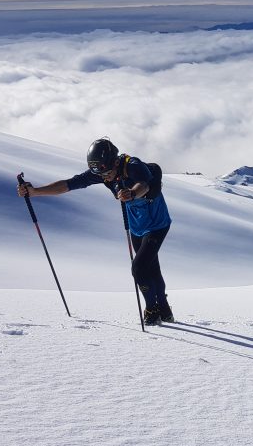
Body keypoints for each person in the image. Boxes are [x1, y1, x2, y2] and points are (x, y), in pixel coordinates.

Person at [17, 138, 173, 325]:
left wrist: (131, 193)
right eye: (100, 174)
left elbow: (144, 185)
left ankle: (152, 310)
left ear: (115, 162)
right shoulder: (102, 171)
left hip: (157, 224)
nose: (105, 178)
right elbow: (69, 184)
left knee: (139, 268)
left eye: (107, 173)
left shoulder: (133, 165)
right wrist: (35, 192)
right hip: (137, 226)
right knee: (151, 268)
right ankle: (165, 310)